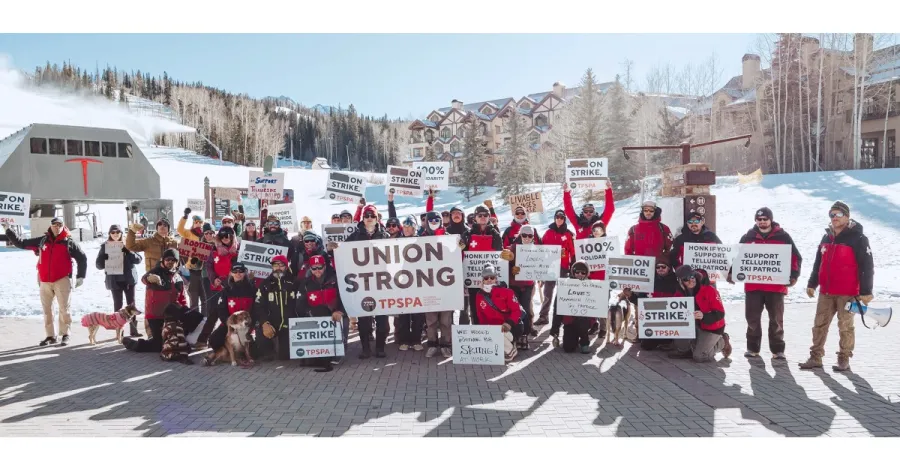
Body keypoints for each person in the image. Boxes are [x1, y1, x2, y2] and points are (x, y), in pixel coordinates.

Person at [800, 201, 874, 372]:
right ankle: (815, 356)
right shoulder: (826, 237)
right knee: (819, 324)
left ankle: (844, 358)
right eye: (831, 214)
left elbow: (867, 266)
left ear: (847, 216)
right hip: (826, 291)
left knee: (845, 326)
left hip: (847, 292)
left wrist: (866, 292)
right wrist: (812, 284)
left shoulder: (858, 239)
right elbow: (818, 262)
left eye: (838, 214)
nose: (834, 218)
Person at [727, 207, 801, 360]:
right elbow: (737, 257)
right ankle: (752, 348)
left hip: (776, 287)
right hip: (754, 286)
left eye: (765, 219)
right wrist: (732, 273)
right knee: (752, 319)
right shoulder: (748, 236)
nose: (762, 222)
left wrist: (793, 275)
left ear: (770, 220)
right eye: (759, 220)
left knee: (776, 320)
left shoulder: (783, 236)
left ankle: (778, 350)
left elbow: (795, 257)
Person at [3, 218, 87, 346]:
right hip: (44, 281)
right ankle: (50, 336)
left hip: (62, 279)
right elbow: (21, 243)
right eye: (54, 225)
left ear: (63, 227)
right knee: (47, 310)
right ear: (51, 226)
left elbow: (82, 258)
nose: (57, 227)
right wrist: (8, 230)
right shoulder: (42, 240)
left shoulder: (68, 242)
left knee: (64, 308)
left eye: (60, 225)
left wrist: (81, 276)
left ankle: (65, 334)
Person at [344, 204, 392, 358]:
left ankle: (380, 348)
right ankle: (365, 349)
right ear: (363, 218)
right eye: (367, 216)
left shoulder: (385, 236)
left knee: (382, 320)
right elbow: (343, 252)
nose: (369, 218)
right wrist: (335, 249)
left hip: (381, 284)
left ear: (377, 218)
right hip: (363, 285)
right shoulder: (355, 236)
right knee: (364, 320)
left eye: (372, 215)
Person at [124, 249, 187, 353]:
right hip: (156, 315)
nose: (170, 262)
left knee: (172, 342)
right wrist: (150, 278)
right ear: (163, 260)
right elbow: (144, 278)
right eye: (167, 259)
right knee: (158, 345)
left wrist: (185, 310)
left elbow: (182, 298)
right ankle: (134, 344)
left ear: (177, 262)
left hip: (171, 315)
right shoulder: (156, 271)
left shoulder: (178, 277)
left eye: (173, 260)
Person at [668, 265, 732, 362]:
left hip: (712, 327)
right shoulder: (680, 293)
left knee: (699, 357)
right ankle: (687, 350)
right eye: (686, 279)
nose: (691, 280)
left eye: (692, 277)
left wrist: (704, 316)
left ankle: (722, 341)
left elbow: (720, 313)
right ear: (681, 281)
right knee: (682, 334)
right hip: (696, 325)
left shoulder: (709, 290)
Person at [254, 255, 307, 362]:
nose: (278, 268)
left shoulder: (294, 282)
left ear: (286, 267)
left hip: (289, 324)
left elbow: (302, 303)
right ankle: (269, 349)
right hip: (272, 322)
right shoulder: (265, 284)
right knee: (262, 343)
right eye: (275, 265)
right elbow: (259, 305)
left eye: (281, 265)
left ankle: (283, 347)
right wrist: (264, 323)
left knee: (285, 357)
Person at [95, 224, 143, 337]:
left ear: (121, 233)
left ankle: (133, 330)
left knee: (132, 305)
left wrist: (128, 251)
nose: (115, 234)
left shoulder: (127, 244)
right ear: (110, 234)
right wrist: (104, 258)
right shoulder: (105, 246)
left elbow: (138, 259)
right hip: (114, 281)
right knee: (118, 306)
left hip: (128, 280)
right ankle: (119, 331)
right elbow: (98, 265)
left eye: (118, 232)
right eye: (113, 232)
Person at [196, 226, 239, 347]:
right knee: (213, 313)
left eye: (229, 236)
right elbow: (209, 266)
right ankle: (202, 340)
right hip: (217, 286)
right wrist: (213, 279)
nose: (226, 238)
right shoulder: (213, 249)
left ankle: (231, 340)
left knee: (231, 313)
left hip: (232, 286)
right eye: (223, 236)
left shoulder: (238, 249)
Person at [303, 254, 347, 371]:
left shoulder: (335, 279)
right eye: (314, 268)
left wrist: (340, 310)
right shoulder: (306, 283)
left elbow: (345, 296)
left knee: (342, 323)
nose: (317, 270)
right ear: (310, 269)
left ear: (325, 266)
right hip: (316, 316)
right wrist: (308, 313)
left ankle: (337, 353)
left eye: (320, 267)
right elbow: (300, 302)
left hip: (335, 314)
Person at [461, 205, 503, 325]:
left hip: (489, 278)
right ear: (475, 218)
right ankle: (477, 333)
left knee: (492, 307)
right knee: (475, 309)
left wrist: (506, 256)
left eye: (485, 215)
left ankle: (491, 334)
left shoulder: (495, 234)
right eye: (480, 215)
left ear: (489, 217)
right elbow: (460, 253)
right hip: (473, 278)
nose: (483, 218)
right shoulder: (467, 234)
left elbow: (499, 255)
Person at [539, 209, 575, 346]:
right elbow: (541, 249)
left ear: (564, 219)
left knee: (561, 295)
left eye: (562, 217)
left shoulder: (568, 234)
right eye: (557, 217)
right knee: (547, 292)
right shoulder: (548, 232)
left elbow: (573, 251)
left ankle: (560, 319)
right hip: (550, 267)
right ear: (554, 218)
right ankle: (543, 316)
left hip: (564, 268)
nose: (559, 219)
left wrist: (572, 267)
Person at [474, 264, 523, 363]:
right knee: (493, 334)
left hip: (511, 326)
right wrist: (484, 330)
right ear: (482, 279)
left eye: (492, 277)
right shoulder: (479, 295)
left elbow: (516, 310)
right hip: (494, 329)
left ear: (496, 278)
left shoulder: (507, 292)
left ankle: (510, 350)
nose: (489, 280)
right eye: (486, 278)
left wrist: (509, 323)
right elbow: (480, 315)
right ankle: (506, 346)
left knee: (499, 333)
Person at [206, 262, 257, 355]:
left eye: (241, 271)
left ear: (245, 272)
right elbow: (221, 309)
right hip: (230, 325)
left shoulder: (252, 289)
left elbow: (255, 309)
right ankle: (227, 350)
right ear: (231, 273)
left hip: (246, 326)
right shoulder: (227, 290)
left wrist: (250, 325)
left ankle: (240, 350)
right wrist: (229, 324)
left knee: (254, 352)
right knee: (214, 340)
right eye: (235, 271)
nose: (238, 274)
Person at [504, 225, 540, 349]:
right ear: (520, 235)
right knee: (516, 310)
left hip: (528, 285)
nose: (526, 238)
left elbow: (544, 264)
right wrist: (510, 265)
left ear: (533, 237)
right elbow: (504, 262)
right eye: (524, 235)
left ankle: (524, 335)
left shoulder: (536, 249)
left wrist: (558, 255)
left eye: (529, 236)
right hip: (514, 285)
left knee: (526, 310)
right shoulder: (513, 248)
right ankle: (516, 334)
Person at [560, 260, 594, 354]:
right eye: (577, 272)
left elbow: (596, 305)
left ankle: (584, 341)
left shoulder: (593, 285)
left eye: (583, 272)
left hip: (584, 319)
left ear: (586, 273)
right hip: (569, 321)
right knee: (568, 348)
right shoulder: (565, 284)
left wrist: (593, 321)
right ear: (573, 272)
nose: (580, 274)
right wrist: (555, 327)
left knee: (582, 322)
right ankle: (573, 338)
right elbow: (558, 305)